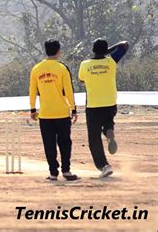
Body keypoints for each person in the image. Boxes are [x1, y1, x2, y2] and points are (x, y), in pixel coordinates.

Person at [78, 39, 129, 178]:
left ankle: (104, 166)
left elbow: (81, 80)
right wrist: (108, 51)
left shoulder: (85, 64)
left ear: (93, 50)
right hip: (110, 103)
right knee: (108, 121)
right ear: (106, 50)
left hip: (94, 105)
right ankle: (108, 131)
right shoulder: (111, 62)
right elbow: (125, 44)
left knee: (94, 138)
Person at [29, 39, 78, 181]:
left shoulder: (36, 69)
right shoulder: (62, 68)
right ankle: (66, 171)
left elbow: (32, 91)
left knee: (49, 144)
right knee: (65, 143)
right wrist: (73, 109)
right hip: (62, 113)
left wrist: (32, 109)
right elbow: (69, 90)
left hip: (45, 114)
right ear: (58, 51)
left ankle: (53, 173)